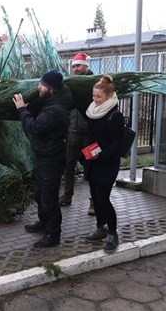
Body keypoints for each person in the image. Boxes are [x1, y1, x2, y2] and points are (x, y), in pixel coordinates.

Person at [12, 69, 73, 248]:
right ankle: (43, 223)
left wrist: (22, 109)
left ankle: (53, 234)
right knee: (39, 194)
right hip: (44, 155)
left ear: (50, 89)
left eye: (42, 85)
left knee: (49, 198)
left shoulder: (56, 110)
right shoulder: (51, 102)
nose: (39, 87)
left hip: (51, 159)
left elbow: (35, 126)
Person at [83, 74, 123, 253]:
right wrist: (87, 152)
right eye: (93, 96)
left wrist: (102, 155)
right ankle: (100, 227)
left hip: (107, 162)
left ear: (108, 96)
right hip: (93, 161)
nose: (95, 99)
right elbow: (91, 137)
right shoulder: (93, 111)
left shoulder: (115, 115)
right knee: (94, 196)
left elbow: (117, 143)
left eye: (98, 96)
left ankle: (113, 233)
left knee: (103, 197)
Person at [59, 53, 96, 216]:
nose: (75, 69)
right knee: (69, 164)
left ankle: (94, 202)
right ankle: (67, 195)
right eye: (73, 66)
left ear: (86, 66)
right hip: (73, 133)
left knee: (93, 167)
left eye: (78, 66)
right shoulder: (70, 84)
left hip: (91, 135)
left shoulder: (95, 84)